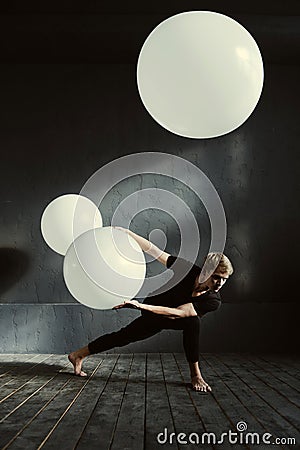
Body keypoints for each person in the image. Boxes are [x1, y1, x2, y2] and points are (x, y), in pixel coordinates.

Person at [68, 228, 233, 392]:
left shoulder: (213, 300)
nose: (220, 283)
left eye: (225, 279)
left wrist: (139, 306)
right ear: (207, 270)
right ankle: (78, 354)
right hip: (154, 310)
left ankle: (196, 375)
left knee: (193, 322)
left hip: (173, 316)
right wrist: (128, 234)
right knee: (123, 336)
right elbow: (155, 251)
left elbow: (179, 313)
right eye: (217, 277)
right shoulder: (187, 269)